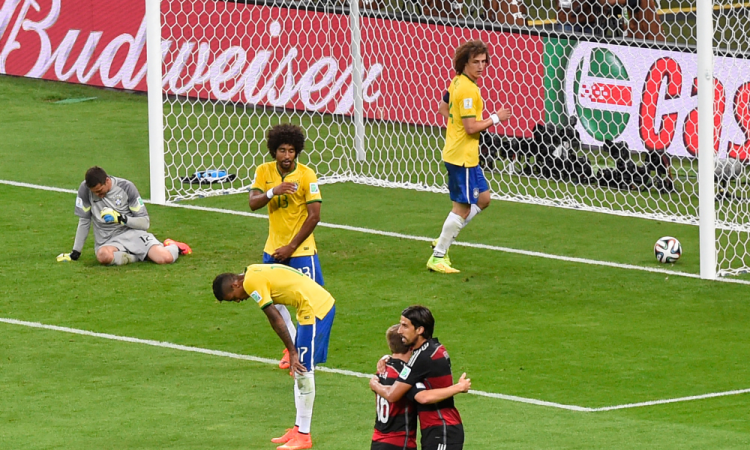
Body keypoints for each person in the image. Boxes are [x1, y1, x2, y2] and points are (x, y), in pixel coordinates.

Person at [212, 264, 336, 450]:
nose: (237, 301)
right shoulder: (253, 272)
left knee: (304, 370)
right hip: (307, 309)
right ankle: (298, 429)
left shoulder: (252, 283)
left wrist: (292, 352)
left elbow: (275, 318)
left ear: (236, 285)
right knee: (299, 371)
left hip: (316, 310)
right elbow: (280, 311)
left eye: (233, 298)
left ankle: (304, 436)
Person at [428, 40, 511, 273]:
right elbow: (471, 128)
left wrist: (454, 126)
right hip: (461, 157)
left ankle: (444, 238)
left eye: (484, 62)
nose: (481, 66)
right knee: (462, 208)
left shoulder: (457, 82)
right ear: (465, 63)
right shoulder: (467, 89)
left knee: (483, 199)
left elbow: (442, 108)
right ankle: (438, 256)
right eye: (476, 62)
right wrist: (496, 118)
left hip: (467, 156)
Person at [249, 123, 324, 370]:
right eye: (282, 150)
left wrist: (291, 247)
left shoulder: (306, 175)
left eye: (291, 150)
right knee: (274, 303)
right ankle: (291, 348)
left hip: (301, 251)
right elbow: (253, 203)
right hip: (272, 249)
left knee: (309, 303)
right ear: (274, 151)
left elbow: (314, 216)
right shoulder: (263, 172)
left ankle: (306, 353)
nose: (287, 156)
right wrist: (273, 191)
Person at [370, 306, 469, 450]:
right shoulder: (435, 348)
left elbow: (396, 395)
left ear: (419, 330)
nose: (400, 331)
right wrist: (389, 358)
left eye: (405, 326)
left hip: (442, 428)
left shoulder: (420, 358)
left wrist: (374, 384)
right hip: (439, 429)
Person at [56, 166, 191, 265]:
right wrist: (75, 253)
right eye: (94, 192)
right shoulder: (84, 189)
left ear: (107, 181)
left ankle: (174, 246)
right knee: (103, 256)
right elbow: (84, 221)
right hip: (107, 241)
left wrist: (120, 218)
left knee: (164, 259)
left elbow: (145, 223)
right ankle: (137, 257)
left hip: (132, 234)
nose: (98, 195)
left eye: (99, 190)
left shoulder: (126, 187)